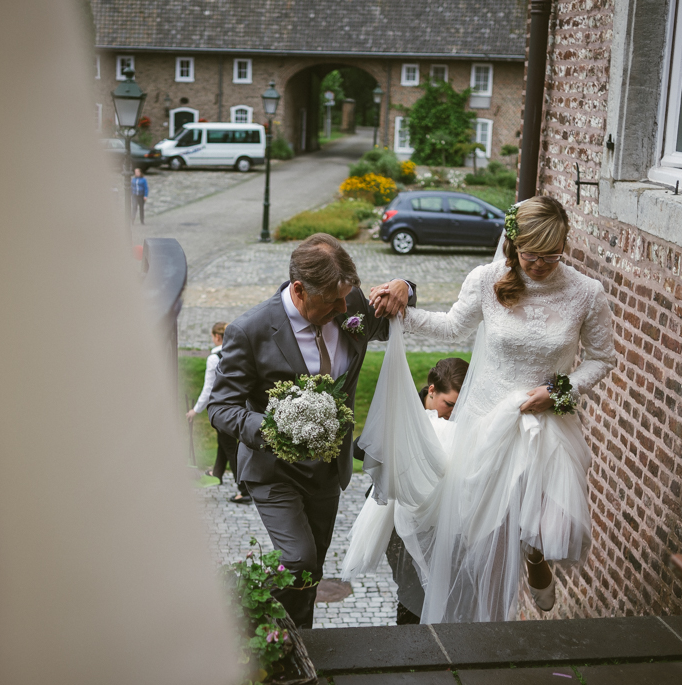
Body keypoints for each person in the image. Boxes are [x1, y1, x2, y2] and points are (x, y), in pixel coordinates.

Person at [346, 196, 616, 623]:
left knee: (534, 524)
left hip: (545, 423)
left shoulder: (586, 293)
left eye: (551, 256)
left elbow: (603, 359)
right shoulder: (487, 279)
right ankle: (486, 624)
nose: (541, 264)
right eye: (531, 254)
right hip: (484, 424)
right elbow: (452, 326)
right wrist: (403, 302)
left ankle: (533, 558)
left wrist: (560, 391)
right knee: (485, 534)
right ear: (514, 244)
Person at [208, 233, 416, 628]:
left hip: (327, 470)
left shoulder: (347, 303)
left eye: (346, 298)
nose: (343, 308)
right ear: (299, 290)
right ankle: (229, 619)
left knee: (311, 573)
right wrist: (273, 428)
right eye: (332, 301)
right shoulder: (249, 331)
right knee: (298, 561)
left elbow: (396, 313)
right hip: (274, 472)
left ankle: (297, 644)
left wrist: (405, 286)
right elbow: (221, 407)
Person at [387, 357, 470, 624]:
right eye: (449, 405)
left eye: (460, 406)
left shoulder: (462, 423)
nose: (453, 413)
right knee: (411, 593)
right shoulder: (404, 408)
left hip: (445, 524)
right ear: (431, 390)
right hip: (401, 521)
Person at [187, 322, 250, 503]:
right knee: (225, 442)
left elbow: (208, 390)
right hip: (239, 406)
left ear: (217, 337)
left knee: (230, 448)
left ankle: (244, 490)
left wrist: (195, 411)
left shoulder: (214, 358)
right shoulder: (239, 352)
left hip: (221, 409)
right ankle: (217, 473)